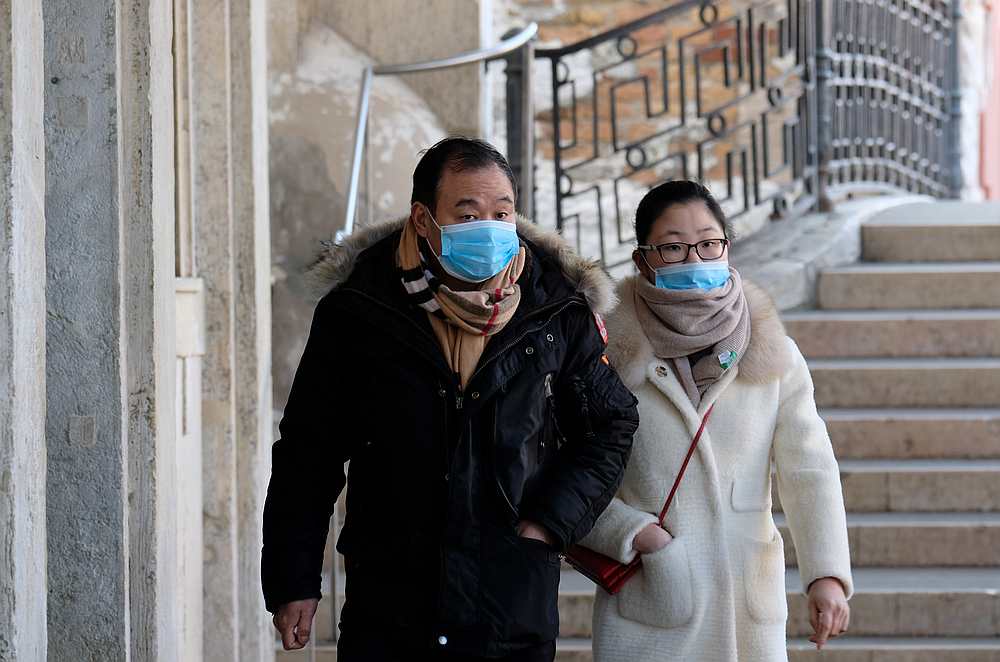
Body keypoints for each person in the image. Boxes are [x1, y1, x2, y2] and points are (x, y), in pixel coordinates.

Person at [261, 137, 639, 662]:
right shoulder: (360, 310)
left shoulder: (555, 311)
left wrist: (549, 524)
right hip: (390, 608)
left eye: (501, 212)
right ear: (422, 219)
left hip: (510, 605)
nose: (488, 227)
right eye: (468, 214)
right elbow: (309, 453)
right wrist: (293, 579)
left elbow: (611, 424)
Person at [579, 181, 852, 661]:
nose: (695, 259)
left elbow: (809, 469)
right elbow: (567, 468)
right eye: (673, 247)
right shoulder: (606, 355)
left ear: (727, 245)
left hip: (748, 606)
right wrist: (635, 534)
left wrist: (826, 573)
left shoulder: (772, 355)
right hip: (651, 604)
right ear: (643, 259)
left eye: (708, 243)